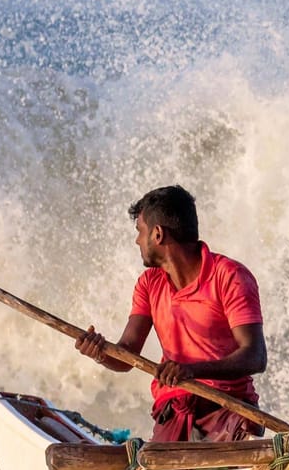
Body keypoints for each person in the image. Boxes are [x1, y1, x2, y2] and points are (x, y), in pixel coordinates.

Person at [74, 185, 268, 442]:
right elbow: (127, 355)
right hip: (175, 408)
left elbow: (255, 356)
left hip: (228, 408)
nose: (137, 241)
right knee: (155, 466)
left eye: (139, 232)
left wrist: (191, 370)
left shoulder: (229, 276)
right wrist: (99, 353)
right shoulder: (148, 283)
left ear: (157, 234)